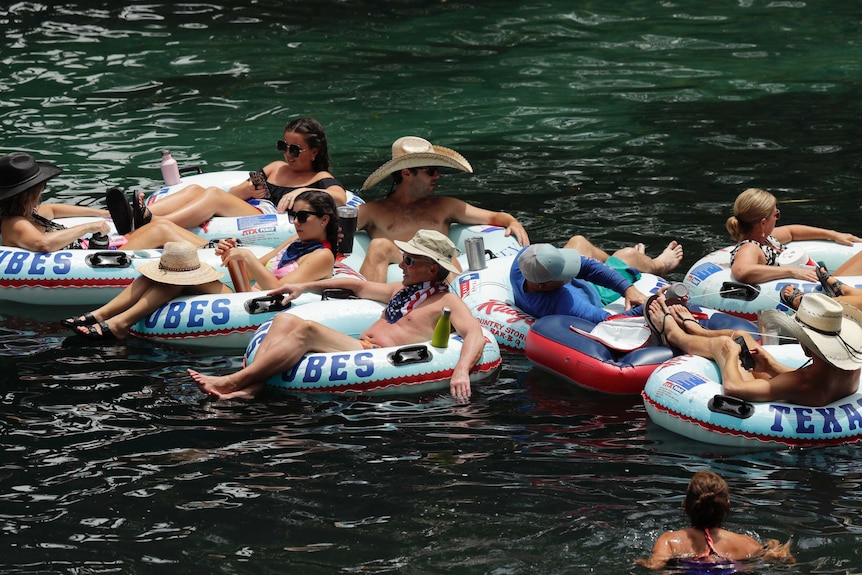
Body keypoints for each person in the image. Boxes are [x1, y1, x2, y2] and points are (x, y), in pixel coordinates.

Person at [188, 229, 487, 400]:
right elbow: (356, 287)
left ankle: (232, 381)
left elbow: (474, 333)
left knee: (305, 331)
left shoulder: (446, 301)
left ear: (432, 269)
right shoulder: (402, 289)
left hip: (379, 356)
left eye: (409, 260)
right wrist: (303, 286)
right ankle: (252, 387)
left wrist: (461, 370)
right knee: (283, 319)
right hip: (358, 346)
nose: (402, 265)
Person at [63, 190, 339, 340]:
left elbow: (281, 288)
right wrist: (232, 253)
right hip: (246, 293)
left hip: (258, 304)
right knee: (166, 271)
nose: (296, 222)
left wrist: (248, 260)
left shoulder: (321, 256)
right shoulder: (294, 240)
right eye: (293, 215)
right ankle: (101, 315)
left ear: (324, 219)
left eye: (303, 216)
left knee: (180, 276)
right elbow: (259, 265)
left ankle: (119, 323)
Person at [117, 117, 347, 232]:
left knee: (214, 195)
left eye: (295, 149)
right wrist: (248, 189)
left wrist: (306, 191)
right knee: (197, 190)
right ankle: (137, 214)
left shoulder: (319, 178)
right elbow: (235, 194)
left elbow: (340, 197)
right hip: (251, 207)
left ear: (314, 152)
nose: (288, 153)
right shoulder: (275, 167)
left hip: (271, 219)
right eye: (283, 146)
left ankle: (154, 223)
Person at [356, 136, 530, 282]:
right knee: (379, 245)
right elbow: (334, 226)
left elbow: (494, 217)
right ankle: (366, 310)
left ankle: (458, 309)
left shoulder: (445, 206)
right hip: (399, 266)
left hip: (440, 266)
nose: (437, 175)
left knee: (439, 245)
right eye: (430, 171)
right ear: (407, 173)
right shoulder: (373, 211)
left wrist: (512, 221)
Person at [647, 291, 862, 406]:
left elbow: (734, 389)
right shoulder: (851, 369)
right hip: (799, 391)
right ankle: (694, 327)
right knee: (742, 337)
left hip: (772, 397)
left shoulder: (798, 382)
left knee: (725, 344)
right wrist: (770, 364)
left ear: (807, 344)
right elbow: (814, 382)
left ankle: (674, 334)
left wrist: (731, 355)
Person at [0, 152, 206, 253]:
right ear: (25, 194)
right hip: (94, 259)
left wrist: (100, 214)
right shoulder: (15, 224)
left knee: (159, 225)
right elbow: (43, 244)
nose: (42, 191)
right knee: (160, 230)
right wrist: (88, 226)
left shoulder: (30, 214)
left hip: (97, 249)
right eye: (40, 188)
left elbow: (53, 209)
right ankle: (211, 253)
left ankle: (206, 248)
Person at [636, 470, 794, 570]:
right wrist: (775, 550)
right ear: (727, 507)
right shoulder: (747, 544)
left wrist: (638, 561)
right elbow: (787, 560)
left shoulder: (669, 541)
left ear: (685, 506)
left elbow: (654, 566)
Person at [726, 187, 860, 285]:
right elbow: (742, 271)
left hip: (823, 283)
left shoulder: (765, 238)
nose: (777, 218)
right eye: (776, 214)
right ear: (763, 223)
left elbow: (792, 232)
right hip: (821, 293)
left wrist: (834, 235)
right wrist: (792, 271)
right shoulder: (750, 247)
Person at [511, 243, 650, 323]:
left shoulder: (522, 262)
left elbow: (586, 267)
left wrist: (628, 289)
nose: (570, 274)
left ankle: (624, 260)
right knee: (629, 254)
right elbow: (610, 320)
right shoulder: (563, 303)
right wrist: (650, 305)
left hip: (578, 285)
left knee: (579, 241)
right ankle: (658, 263)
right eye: (564, 274)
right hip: (598, 294)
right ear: (543, 286)